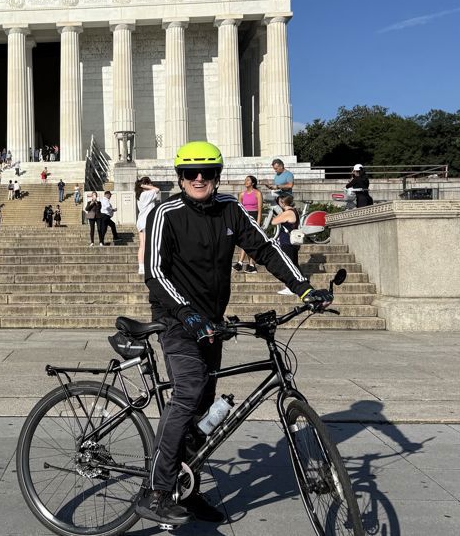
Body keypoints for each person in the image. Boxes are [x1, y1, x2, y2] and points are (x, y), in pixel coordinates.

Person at [135, 141, 331, 526]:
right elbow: (154, 273)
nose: (198, 178)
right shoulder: (165, 213)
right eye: (190, 172)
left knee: (205, 410)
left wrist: (304, 289)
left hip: (212, 321)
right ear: (179, 177)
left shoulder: (230, 208)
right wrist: (187, 314)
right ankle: (155, 490)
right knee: (189, 391)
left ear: (217, 175)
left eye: (207, 172)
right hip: (176, 319)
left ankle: (186, 490)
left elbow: (265, 250)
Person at [234, 175, 264, 273]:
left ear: (253, 183)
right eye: (245, 180)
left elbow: (259, 210)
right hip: (244, 218)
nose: (246, 182)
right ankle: (249, 264)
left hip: (253, 217)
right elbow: (239, 210)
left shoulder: (257, 193)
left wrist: (258, 224)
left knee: (250, 241)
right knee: (245, 241)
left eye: (248, 180)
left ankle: (243, 263)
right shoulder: (242, 194)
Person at [135, 176, 160, 276]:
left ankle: (142, 266)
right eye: (149, 183)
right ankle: (143, 266)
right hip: (146, 222)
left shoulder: (141, 195)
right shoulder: (146, 194)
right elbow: (157, 189)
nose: (151, 185)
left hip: (142, 221)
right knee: (145, 245)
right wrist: (144, 186)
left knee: (143, 245)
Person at [270, 192, 301, 270]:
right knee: (294, 265)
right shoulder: (294, 210)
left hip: (287, 242)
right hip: (293, 242)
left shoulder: (287, 213)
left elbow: (273, 222)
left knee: (289, 266)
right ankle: (300, 277)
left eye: (279, 201)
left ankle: (298, 278)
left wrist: (277, 214)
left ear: (283, 202)